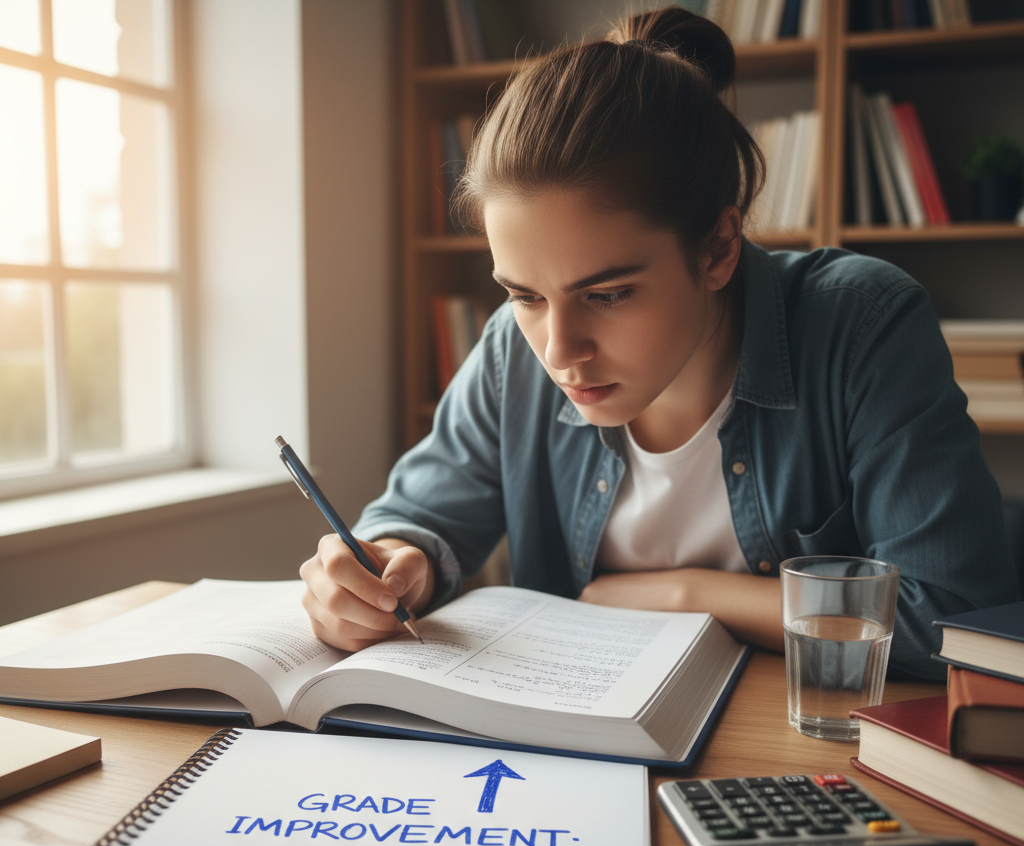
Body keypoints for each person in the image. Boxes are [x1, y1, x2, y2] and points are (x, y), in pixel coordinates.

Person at [300, 7, 1016, 680]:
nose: (559, 350)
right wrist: (387, 565)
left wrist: (682, 594)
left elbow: (951, 618)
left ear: (718, 248)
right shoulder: (509, 352)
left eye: (608, 294)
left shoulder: (861, 324)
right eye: (525, 295)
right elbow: (419, 520)